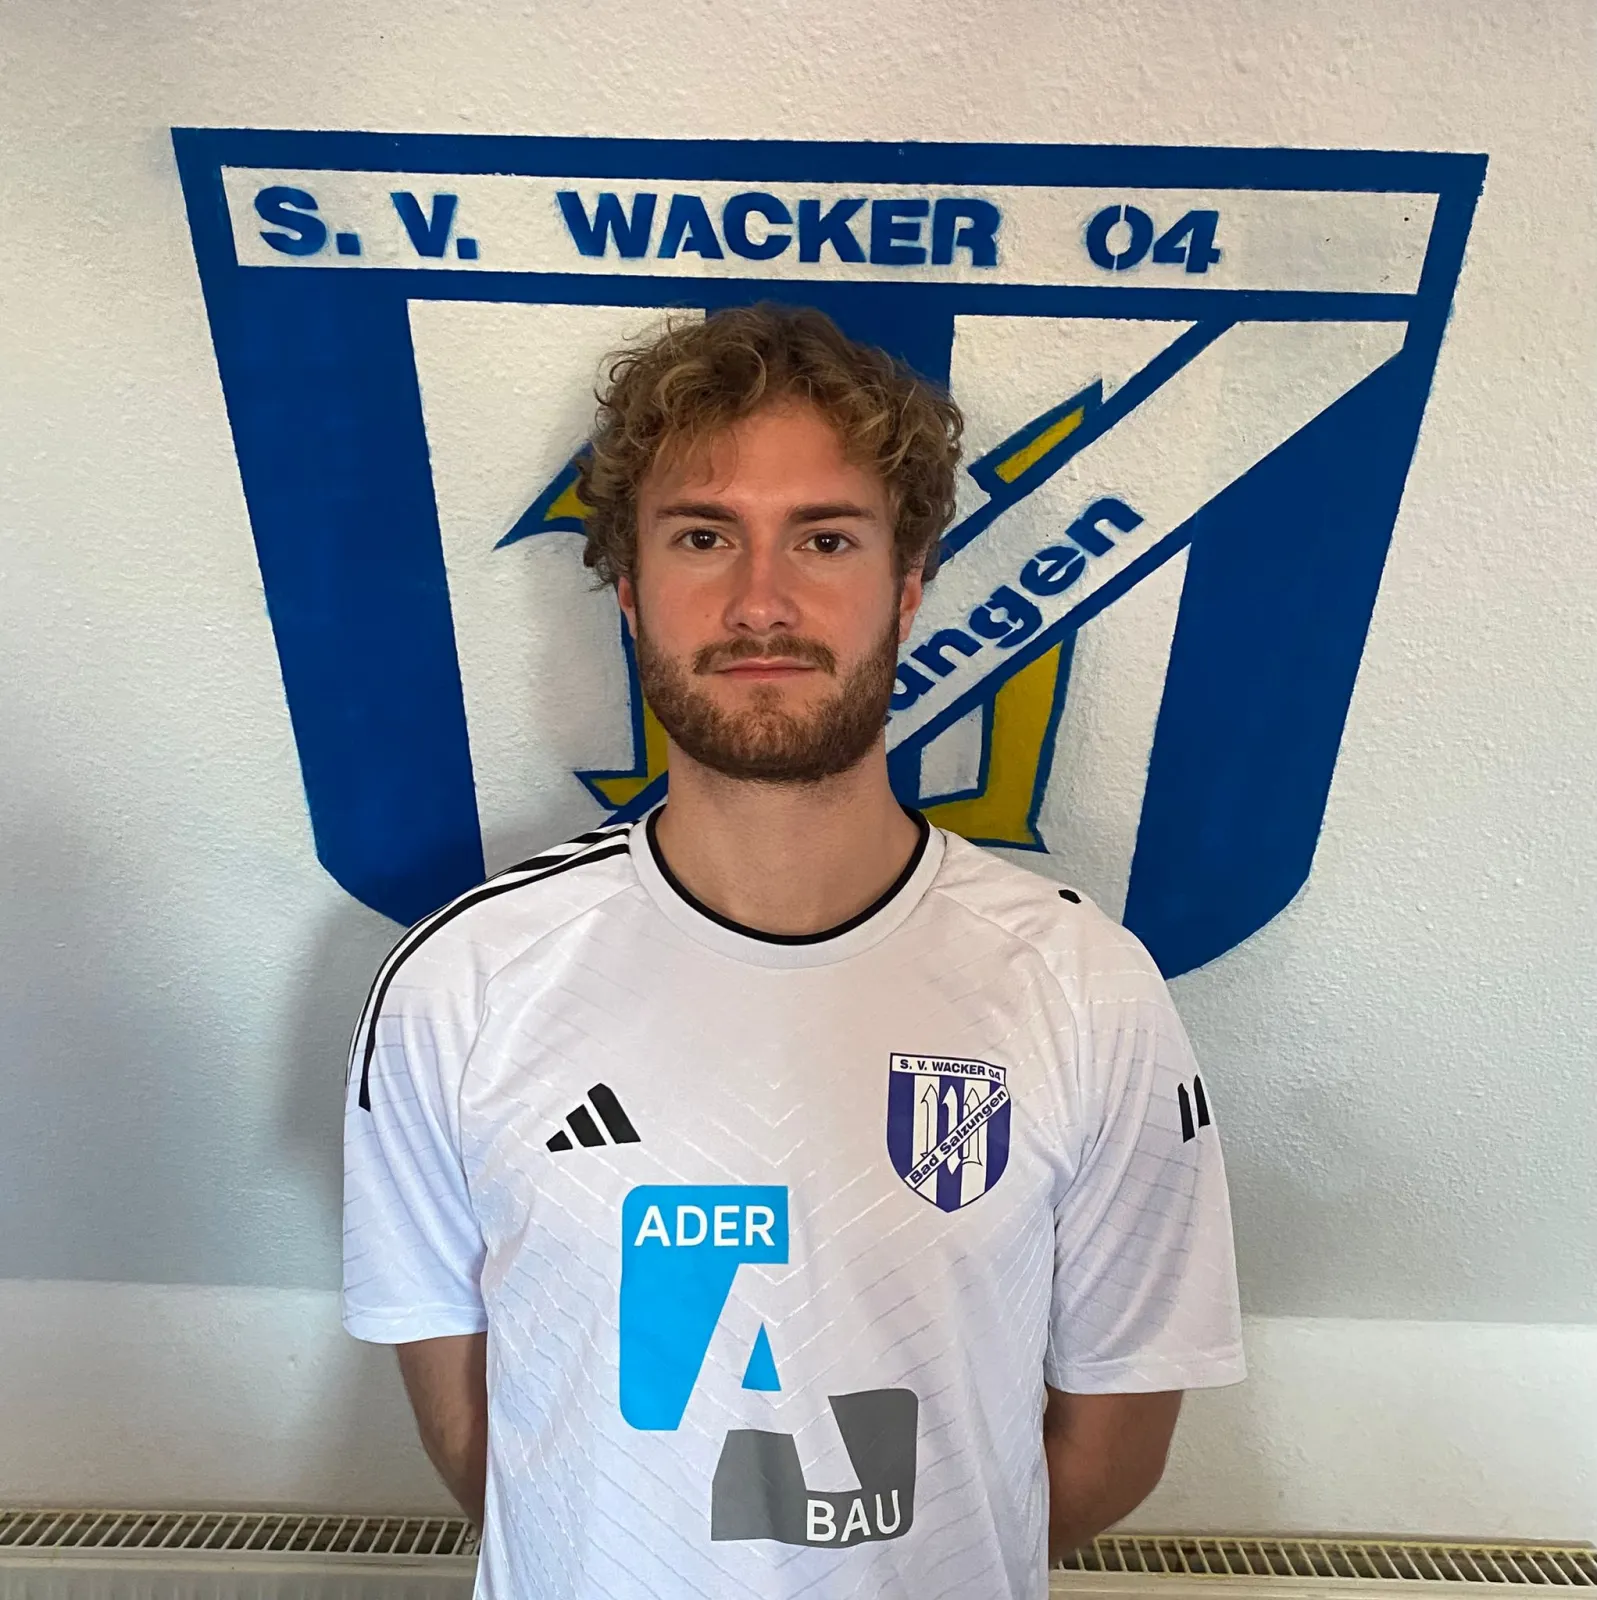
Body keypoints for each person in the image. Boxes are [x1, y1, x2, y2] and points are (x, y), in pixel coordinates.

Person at [342, 303, 1244, 1600]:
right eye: (704, 536)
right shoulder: (462, 984)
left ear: (909, 584)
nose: (761, 601)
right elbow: (489, 1446)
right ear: (631, 590)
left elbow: (1107, 1449)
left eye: (824, 539)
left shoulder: (1084, 989)